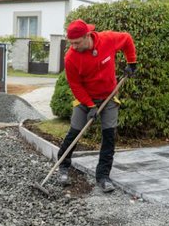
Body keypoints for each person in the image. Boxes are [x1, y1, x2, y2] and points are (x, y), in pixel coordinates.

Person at [58, 19, 137, 193]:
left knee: (109, 136)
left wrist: (132, 62)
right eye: (71, 43)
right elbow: (75, 86)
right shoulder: (71, 57)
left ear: (87, 36)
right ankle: (63, 166)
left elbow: (127, 39)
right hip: (85, 98)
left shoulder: (107, 39)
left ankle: (103, 176)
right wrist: (89, 105)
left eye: (77, 43)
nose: (74, 46)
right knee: (75, 131)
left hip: (108, 96)